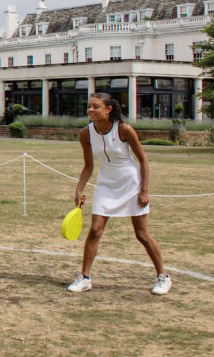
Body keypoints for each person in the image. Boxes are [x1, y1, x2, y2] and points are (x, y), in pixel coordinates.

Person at [67, 92, 170, 295]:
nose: (90, 110)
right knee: (95, 230)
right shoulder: (85, 133)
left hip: (130, 184)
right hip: (105, 184)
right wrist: (79, 188)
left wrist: (144, 190)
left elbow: (143, 159)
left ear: (109, 109)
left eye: (96, 106)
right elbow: (88, 166)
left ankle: (163, 277)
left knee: (141, 234)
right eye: (89, 106)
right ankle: (85, 277)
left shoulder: (124, 129)